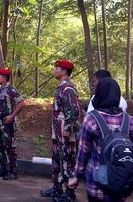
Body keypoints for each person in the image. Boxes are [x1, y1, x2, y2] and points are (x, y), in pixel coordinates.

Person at [68, 78, 133, 202]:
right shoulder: (128, 120)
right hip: (121, 183)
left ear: (98, 94)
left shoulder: (91, 119)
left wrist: (76, 176)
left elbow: (83, 152)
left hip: (97, 184)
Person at [41, 60, 81, 202]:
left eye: (57, 68)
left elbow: (74, 112)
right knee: (57, 160)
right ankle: (57, 188)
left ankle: (70, 194)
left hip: (65, 133)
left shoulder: (68, 89)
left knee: (68, 162)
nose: (55, 70)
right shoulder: (61, 87)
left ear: (64, 72)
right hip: (57, 132)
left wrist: (67, 129)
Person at [0, 68, 25, 180]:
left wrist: (12, 116)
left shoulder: (11, 90)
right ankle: (3, 168)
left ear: (4, 78)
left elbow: (22, 103)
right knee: (0, 146)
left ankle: (13, 171)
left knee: (10, 147)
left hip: (8, 122)